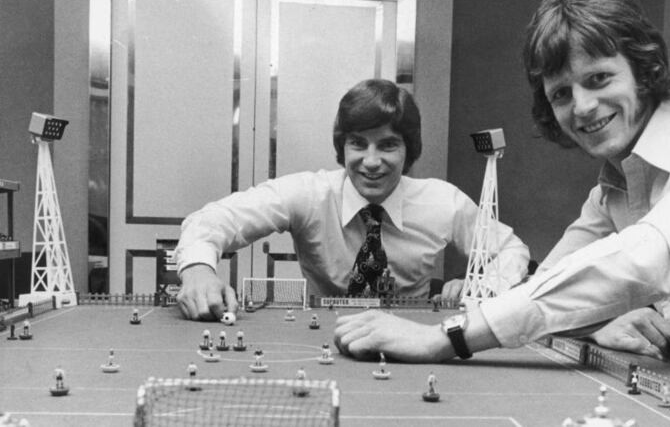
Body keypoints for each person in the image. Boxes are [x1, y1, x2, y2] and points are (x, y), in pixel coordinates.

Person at [333, 0, 670, 408]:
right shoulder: (610, 192)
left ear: (646, 69)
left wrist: (441, 338)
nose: (582, 107)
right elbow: (543, 286)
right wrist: (599, 322)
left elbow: (649, 258)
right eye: (560, 94)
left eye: (598, 78)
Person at [175, 78, 530, 321]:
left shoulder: (443, 202)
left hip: (412, 338)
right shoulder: (309, 193)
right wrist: (198, 271)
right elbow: (210, 220)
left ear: (410, 150)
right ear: (342, 147)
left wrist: (480, 286)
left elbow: (512, 249)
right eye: (358, 143)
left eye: (388, 144)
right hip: (322, 335)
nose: (371, 161)